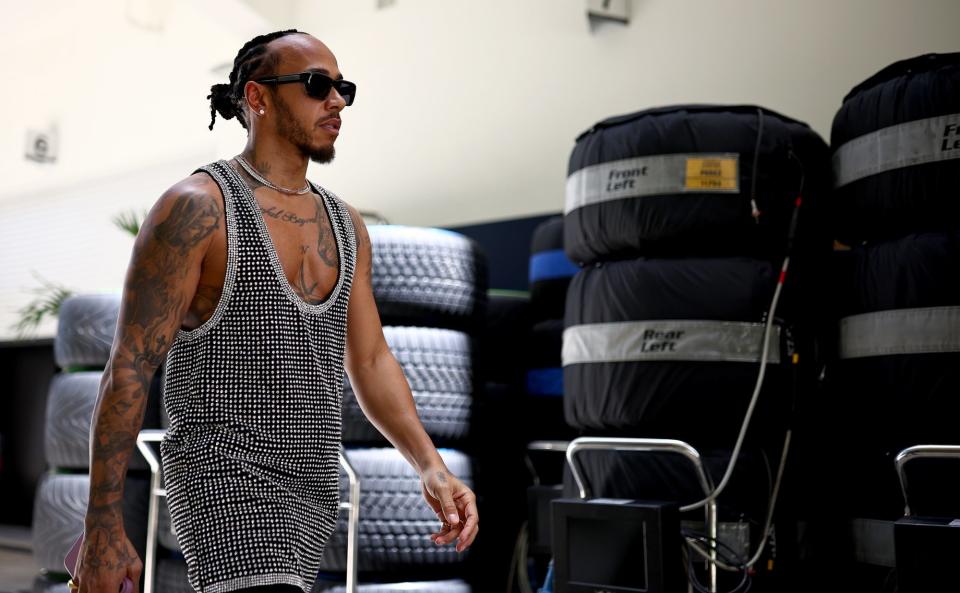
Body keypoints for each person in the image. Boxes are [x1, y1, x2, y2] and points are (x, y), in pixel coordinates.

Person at [76, 29, 479, 593]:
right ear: (259, 98)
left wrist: (430, 465)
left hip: (314, 492)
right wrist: (101, 524)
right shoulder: (197, 208)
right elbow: (129, 366)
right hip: (223, 482)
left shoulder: (346, 223)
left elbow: (369, 361)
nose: (337, 101)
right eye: (318, 86)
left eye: (343, 88)